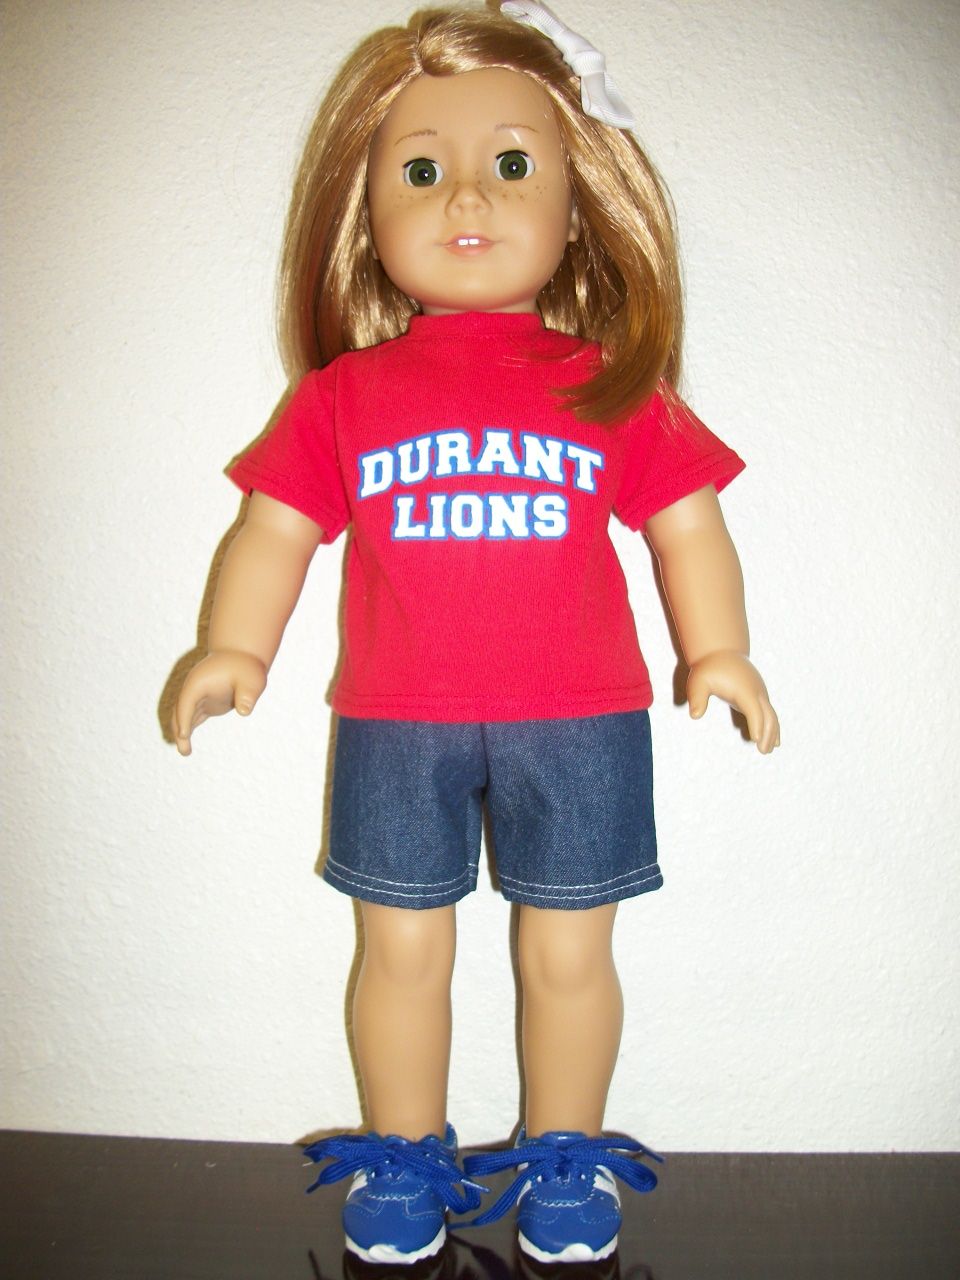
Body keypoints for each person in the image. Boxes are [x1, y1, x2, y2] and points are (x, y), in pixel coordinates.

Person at [172, 1, 779, 1265]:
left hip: (583, 716)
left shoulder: (608, 380)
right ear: (365, 213)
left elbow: (689, 528)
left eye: (512, 163)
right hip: (396, 719)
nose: (466, 194)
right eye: (420, 168)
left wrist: (718, 647)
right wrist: (235, 647)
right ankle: (404, 1154)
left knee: (571, 951)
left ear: (576, 208)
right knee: (399, 948)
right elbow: (275, 530)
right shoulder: (347, 395)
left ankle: (566, 1153)